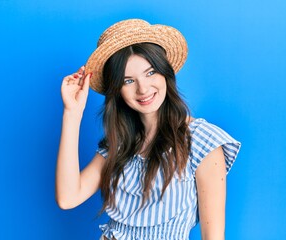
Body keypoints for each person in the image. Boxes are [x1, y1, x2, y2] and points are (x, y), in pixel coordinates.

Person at [55, 19, 241, 240]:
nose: (143, 89)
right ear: (117, 90)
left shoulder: (202, 140)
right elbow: (68, 197)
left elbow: (213, 236)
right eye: (128, 80)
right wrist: (72, 113)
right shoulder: (121, 143)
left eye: (150, 73)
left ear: (165, 73)